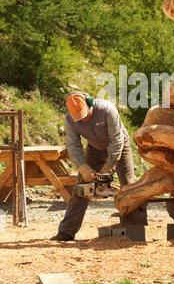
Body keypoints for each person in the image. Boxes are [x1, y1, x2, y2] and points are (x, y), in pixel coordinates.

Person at [51, 92, 135, 241]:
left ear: (90, 103)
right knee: (81, 188)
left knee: (129, 186)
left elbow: (116, 141)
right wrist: (83, 167)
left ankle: (134, 227)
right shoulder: (70, 119)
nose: (84, 119)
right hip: (95, 149)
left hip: (120, 146)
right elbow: (72, 145)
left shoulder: (107, 110)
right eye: (80, 118)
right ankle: (66, 232)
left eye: (85, 114)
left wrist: (109, 167)